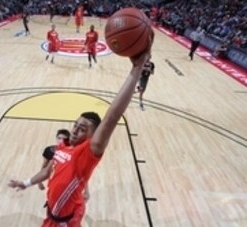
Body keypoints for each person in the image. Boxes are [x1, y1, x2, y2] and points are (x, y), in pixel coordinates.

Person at [8, 47, 152, 226]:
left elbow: (112, 117)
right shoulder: (62, 146)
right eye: (75, 125)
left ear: (93, 135)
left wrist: (136, 70)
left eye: (82, 128)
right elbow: (47, 171)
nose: (75, 130)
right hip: (52, 213)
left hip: (65, 222)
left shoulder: (88, 152)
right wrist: (26, 183)